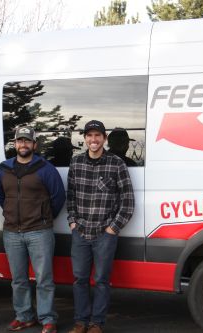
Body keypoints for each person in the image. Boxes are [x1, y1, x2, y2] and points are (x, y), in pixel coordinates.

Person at [0, 126, 66, 333]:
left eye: (27, 141)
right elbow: (2, 197)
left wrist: (43, 216)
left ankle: (47, 319)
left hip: (39, 231)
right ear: (15, 144)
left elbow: (58, 197)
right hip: (12, 233)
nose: (23, 144)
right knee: (18, 280)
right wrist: (11, 214)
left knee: (44, 279)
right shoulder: (4, 170)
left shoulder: (46, 168)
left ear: (34, 145)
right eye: (20, 141)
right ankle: (24, 316)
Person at [67, 120, 135, 333]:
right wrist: (72, 221)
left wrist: (113, 228)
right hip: (81, 232)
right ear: (85, 138)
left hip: (105, 233)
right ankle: (80, 322)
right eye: (90, 135)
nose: (93, 140)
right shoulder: (76, 163)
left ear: (104, 139)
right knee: (79, 280)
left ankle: (97, 323)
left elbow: (128, 201)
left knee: (102, 281)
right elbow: (70, 197)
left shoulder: (116, 164)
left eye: (98, 136)